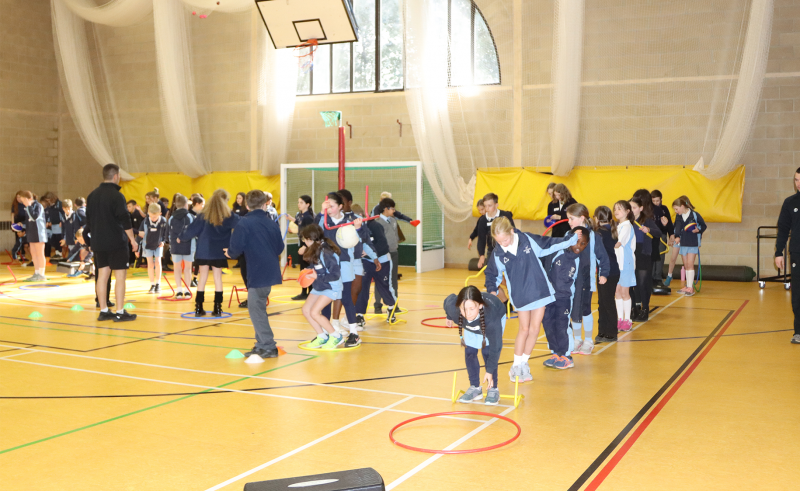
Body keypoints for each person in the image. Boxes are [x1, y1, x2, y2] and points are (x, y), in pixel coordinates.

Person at [484, 216, 579, 382]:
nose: (503, 244)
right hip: (521, 297)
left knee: (535, 329)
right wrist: (492, 291)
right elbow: (492, 274)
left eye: (505, 239)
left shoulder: (527, 239)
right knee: (524, 329)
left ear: (512, 231)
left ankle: (524, 364)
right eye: (499, 241)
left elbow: (549, 244)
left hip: (540, 291)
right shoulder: (498, 253)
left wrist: (570, 240)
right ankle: (516, 366)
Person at [227, 190, 285, 358]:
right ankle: (261, 344)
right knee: (257, 307)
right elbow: (280, 248)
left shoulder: (244, 223)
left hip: (258, 272)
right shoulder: (271, 222)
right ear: (264, 204)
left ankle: (268, 345)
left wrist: (229, 253)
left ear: (246, 205)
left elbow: (235, 249)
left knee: (256, 309)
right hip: (270, 271)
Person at [86, 163, 138, 322]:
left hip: (98, 242)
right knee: (120, 276)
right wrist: (132, 240)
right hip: (115, 242)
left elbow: (88, 220)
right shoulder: (117, 196)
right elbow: (125, 219)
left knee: (102, 275)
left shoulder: (92, 195)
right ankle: (120, 311)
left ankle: (103, 310)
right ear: (116, 176)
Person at [180, 189, 239, 317]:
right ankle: (217, 308)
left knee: (202, 278)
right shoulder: (229, 215)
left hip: (204, 250)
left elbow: (191, 230)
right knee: (218, 278)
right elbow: (242, 225)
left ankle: (198, 308)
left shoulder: (203, 215)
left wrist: (181, 237)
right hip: (219, 251)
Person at [443, 286, 507, 405]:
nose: (468, 314)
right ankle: (475, 388)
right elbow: (448, 300)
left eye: (472, 309)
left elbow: (496, 347)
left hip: (493, 317)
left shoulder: (491, 318)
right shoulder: (455, 310)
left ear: (480, 305)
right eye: (464, 309)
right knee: (470, 352)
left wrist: (489, 370)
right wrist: (449, 316)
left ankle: (493, 389)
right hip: (473, 325)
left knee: (487, 352)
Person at [542, 227, 590, 370]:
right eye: (576, 242)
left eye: (582, 244)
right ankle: (556, 352)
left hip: (565, 299)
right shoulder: (556, 252)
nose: (578, 246)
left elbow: (580, 284)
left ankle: (567, 355)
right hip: (550, 297)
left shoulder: (580, 261)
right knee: (548, 324)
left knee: (562, 326)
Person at [565, 203, 610, 355]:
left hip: (586, 279)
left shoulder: (593, 236)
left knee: (585, 308)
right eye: (568, 219)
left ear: (582, 218)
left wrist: (603, 273)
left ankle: (588, 340)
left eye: (572, 218)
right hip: (571, 281)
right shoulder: (568, 235)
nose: (569, 221)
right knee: (573, 309)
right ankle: (577, 340)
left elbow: (602, 256)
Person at [317, 192, 363, 332]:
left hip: (344, 264)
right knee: (326, 298)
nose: (328, 209)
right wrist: (320, 213)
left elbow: (358, 244)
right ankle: (328, 331)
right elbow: (315, 232)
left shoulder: (349, 222)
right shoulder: (324, 220)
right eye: (326, 206)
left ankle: (354, 332)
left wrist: (358, 230)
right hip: (327, 265)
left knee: (347, 298)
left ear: (340, 206)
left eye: (331, 206)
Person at [300, 224, 345, 350]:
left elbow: (335, 275)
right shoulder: (315, 249)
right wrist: (308, 271)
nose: (304, 242)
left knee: (314, 312)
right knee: (306, 310)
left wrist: (316, 277)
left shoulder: (327, 252)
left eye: (305, 239)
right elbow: (317, 267)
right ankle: (322, 336)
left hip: (331, 286)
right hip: (320, 285)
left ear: (311, 239)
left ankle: (336, 336)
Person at [775, 168, 800, 344]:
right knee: (797, 294)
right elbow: (783, 229)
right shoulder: (790, 202)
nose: (798, 184)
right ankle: (798, 331)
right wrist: (778, 252)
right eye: (796, 180)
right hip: (797, 254)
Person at [630, 196, 662, 321]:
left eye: (634, 207)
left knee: (643, 283)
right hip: (630, 253)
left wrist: (648, 229)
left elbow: (658, 233)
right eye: (630, 208)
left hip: (643, 252)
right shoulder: (627, 221)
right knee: (632, 282)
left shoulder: (647, 220)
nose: (631, 210)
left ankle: (645, 308)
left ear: (641, 208)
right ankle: (635, 307)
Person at [593, 206, 620, 343]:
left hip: (607, 271)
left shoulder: (599, 233)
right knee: (604, 302)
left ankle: (610, 332)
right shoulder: (611, 230)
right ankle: (603, 331)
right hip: (612, 270)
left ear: (596, 219)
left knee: (606, 302)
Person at [671, 196, 706, 296]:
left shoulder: (694, 215)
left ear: (682, 206)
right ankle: (688, 285)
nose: (675, 211)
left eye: (676, 209)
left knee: (690, 264)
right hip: (683, 244)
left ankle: (690, 288)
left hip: (692, 243)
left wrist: (698, 230)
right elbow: (677, 228)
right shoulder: (679, 216)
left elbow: (703, 225)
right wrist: (677, 237)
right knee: (686, 265)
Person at [373, 198, 401, 319]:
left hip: (394, 253)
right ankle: (378, 304)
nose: (394, 211)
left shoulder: (393, 220)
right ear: (385, 209)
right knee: (381, 279)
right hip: (383, 254)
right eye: (392, 209)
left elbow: (395, 235)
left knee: (393, 279)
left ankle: (394, 304)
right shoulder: (378, 222)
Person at [613, 200, 636, 332]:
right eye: (615, 208)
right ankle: (619, 319)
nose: (616, 211)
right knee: (617, 292)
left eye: (620, 209)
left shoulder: (627, 226)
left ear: (627, 211)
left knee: (624, 292)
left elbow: (618, 243)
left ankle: (628, 320)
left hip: (626, 263)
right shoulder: (618, 226)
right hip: (617, 263)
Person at [476, 193, 515, 269]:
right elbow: (481, 239)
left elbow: (514, 232)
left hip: (507, 250)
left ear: (496, 205)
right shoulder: (482, 220)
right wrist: (481, 255)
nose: (487, 208)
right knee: (495, 275)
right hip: (492, 251)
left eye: (489, 205)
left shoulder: (505, 215)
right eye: (485, 206)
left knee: (509, 273)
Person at [16, 191, 47, 282]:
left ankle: (42, 274)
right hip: (31, 233)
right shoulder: (27, 207)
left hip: (39, 233)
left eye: (24, 200)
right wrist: (22, 226)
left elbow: (34, 217)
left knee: (40, 253)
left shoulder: (38, 206)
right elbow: (29, 221)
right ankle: (36, 273)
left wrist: (28, 206)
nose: (23, 203)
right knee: (33, 254)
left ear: (29, 199)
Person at [168, 194, 195, 298]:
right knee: (188, 269)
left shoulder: (171, 218)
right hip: (189, 245)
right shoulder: (190, 217)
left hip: (175, 246)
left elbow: (169, 233)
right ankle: (187, 290)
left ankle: (179, 291)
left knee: (177, 268)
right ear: (185, 205)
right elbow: (193, 232)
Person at [137, 204, 167, 294]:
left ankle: (158, 284)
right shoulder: (145, 221)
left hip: (158, 245)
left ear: (160, 214)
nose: (153, 219)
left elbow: (166, 233)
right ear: (148, 213)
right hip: (147, 245)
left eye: (155, 217)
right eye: (151, 216)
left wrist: (163, 241)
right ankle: (152, 284)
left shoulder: (163, 221)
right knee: (150, 264)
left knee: (158, 262)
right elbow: (140, 235)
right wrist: (137, 249)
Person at [292, 195, 315, 300]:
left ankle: (309, 292)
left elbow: (311, 233)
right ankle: (304, 292)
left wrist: (306, 246)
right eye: (298, 202)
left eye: (301, 202)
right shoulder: (301, 215)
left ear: (307, 204)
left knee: (307, 268)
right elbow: (298, 224)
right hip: (302, 244)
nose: (299, 204)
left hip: (307, 245)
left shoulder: (308, 217)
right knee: (302, 268)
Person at [651, 190, 674, 287]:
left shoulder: (664, 209)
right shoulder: (649, 210)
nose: (656, 203)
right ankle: (651, 277)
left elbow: (669, 223)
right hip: (651, 236)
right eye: (654, 201)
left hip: (662, 235)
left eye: (657, 201)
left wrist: (671, 235)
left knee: (660, 256)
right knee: (652, 256)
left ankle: (658, 277)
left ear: (661, 200)